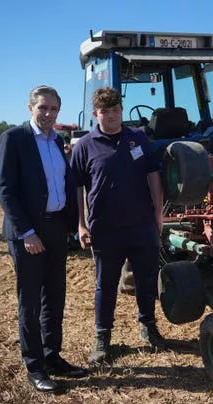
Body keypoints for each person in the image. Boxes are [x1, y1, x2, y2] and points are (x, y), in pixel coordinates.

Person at [0, 85, 86, 393]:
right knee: (30, 302)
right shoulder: (15, 139)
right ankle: (34, 367)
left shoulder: (56, 140)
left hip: (55, 228)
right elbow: (5, 190)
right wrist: (27, 232)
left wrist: (70, 225)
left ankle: (52, 356)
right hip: (28, 233)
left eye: (53, 110)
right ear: (30, 108)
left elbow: (62, 183)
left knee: (55, 297)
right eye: (42, 108)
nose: (48, 114)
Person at [70, 87, 165, 365]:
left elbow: (153, 174)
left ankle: (148, 327)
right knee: (106, 284)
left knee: (147, 280)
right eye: (105, 112)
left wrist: (158, 214)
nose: (111, 117)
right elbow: (77, 188)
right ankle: (102, 337)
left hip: (141, 225)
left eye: (116, 111)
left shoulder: (137, 138)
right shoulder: (85, 145)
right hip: (105, 228)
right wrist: (81, 225)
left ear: (121, 111)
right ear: (95, 114)